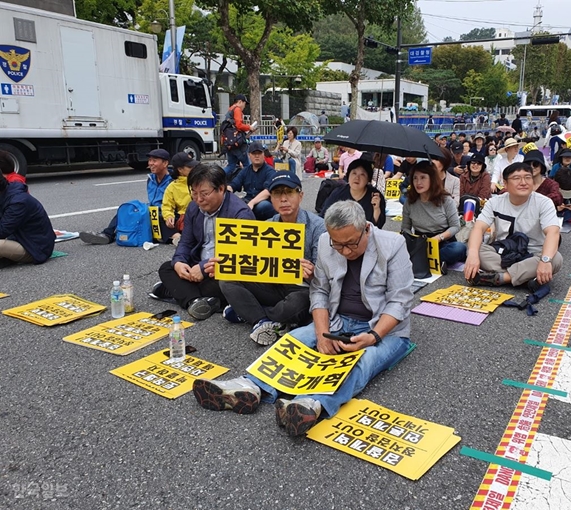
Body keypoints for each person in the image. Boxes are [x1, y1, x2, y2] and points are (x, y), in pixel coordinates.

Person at [192, 200, 414, 437]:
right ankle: (250, 385)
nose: (345, 251)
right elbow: (319, 291)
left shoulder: (393, 244)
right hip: (339, 320)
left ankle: (310, 404)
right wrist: (321, 334)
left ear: (367, 229)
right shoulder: (325, 242)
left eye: (351, 243)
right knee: (292, 341)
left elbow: (400, 301)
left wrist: (372, 336)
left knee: (363, 361)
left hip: (384, 329)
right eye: (338, 245)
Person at [218, 171, 326, 345]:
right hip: (272, 285)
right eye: (277, 193)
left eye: (289, 192)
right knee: (226, 278)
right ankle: (263, 320)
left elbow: (323, 278)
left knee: (296, 305)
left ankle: (249, 312)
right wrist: (226, 262)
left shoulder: (318, 226)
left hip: (301, 289)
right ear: (271, 199)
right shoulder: (267, 226)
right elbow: (249, 262)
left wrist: (313, 272)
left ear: (300, 195)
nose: (283, 199)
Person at [151, 164, 255, 320]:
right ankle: (197, 301)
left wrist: (203, 268)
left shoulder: (240, 213)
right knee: (167, 268)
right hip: (197, 264)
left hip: (220, 269)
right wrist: (179, 263)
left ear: (221, 189)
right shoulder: (193, 207)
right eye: (194, 193)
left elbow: (238, 255)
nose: (199, 199)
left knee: (228, 283)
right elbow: (185, 242)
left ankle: (180, 293)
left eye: (204, 194)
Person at [464, 162, 562, 290]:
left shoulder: (544, 202)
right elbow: (478, 228)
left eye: (528, 177)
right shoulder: (495, 202)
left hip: (533, 254)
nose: (523, 182)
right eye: (516, 178)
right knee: (475, 249)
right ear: (505, 184)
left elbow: (553, 232)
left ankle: (503, 278)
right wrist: (472, 255)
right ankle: (526, 277)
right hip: (504, 253)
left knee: (555, 259)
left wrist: (544, 260)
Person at [80, 149, 173, 244]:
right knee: (127, 209)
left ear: (165, 163)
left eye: (154, 161)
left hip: (164, 213)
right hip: (152, 209)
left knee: (141, 216)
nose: (150, 163)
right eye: (150, 160)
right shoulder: (151, 179)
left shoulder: (172, 181)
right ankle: (107, 235)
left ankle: (126, 234)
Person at [402, 161, 466, 266]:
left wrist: (439, 238)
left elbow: (455, 226)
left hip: (442, 241)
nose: (418, 182)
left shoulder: (446, 200)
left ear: (432, 179)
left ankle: (425, 259)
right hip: (420, 242)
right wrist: (411, 240)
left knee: (459, 248)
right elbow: (405, 227)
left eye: (423, 178)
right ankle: (432, 260)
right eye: (415, 178)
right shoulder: (410, 201)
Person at [0, 174, 55, 267]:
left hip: (35, 248)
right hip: (18, 238)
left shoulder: (18, 202)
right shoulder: (6, 193)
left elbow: (2, 231)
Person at [320, 159, 386, 228]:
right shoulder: (338, 193)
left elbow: (377, 227)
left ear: (368, 180)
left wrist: (376, 209)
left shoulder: (375, 196)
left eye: (362, 175)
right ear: (348, 176)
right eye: (354, 173)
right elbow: (323, 216)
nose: (357, 178)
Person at [227, 142, 277, 221]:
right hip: (248, 200)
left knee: (263, 206)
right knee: (229, 205)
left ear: (263, 154)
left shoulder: (270, 171)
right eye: (254, 153)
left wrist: (252, 203)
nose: (257, 156)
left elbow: (268, 191)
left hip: (263, 202)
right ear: (249, 155)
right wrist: (226, 190)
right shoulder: (245, 171)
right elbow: (234, 184)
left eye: (259, 153)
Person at [163, 152, 198, 246]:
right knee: (160, 217)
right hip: (182, 217)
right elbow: (167, 205)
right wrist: (168, 217)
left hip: (199, 214)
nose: (193, 169)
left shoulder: (200, 181)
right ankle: (178, 237)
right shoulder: (172, 187)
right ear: (180, 169)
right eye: (190, 167)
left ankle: (183, 239)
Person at [223, 94, 253, 180]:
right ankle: (250, 182)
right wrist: (249, 127)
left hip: (229, 142)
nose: (244, 106)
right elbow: (239, 125)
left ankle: (216, 177)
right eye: (244, 103)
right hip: (237, 143)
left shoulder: (230, 110)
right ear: (240, 102)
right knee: (247, 164)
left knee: (231, 165)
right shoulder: (237, 109)